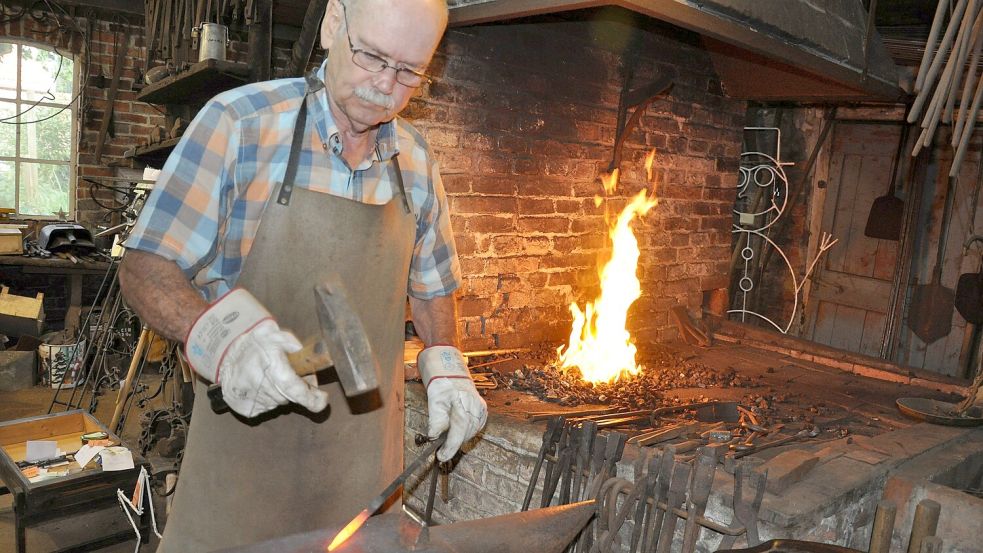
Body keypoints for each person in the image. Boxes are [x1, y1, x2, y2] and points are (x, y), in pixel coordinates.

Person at [118, 0, 487, 550]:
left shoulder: (415, 159)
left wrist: (446, 363)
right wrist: (218, 339)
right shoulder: (240, 124)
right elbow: (144, 265)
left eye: (409, 71)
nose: (385, 85)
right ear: (334, 23)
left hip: (363, 476)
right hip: (242, 466)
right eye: (371, 57)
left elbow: (433, 286)